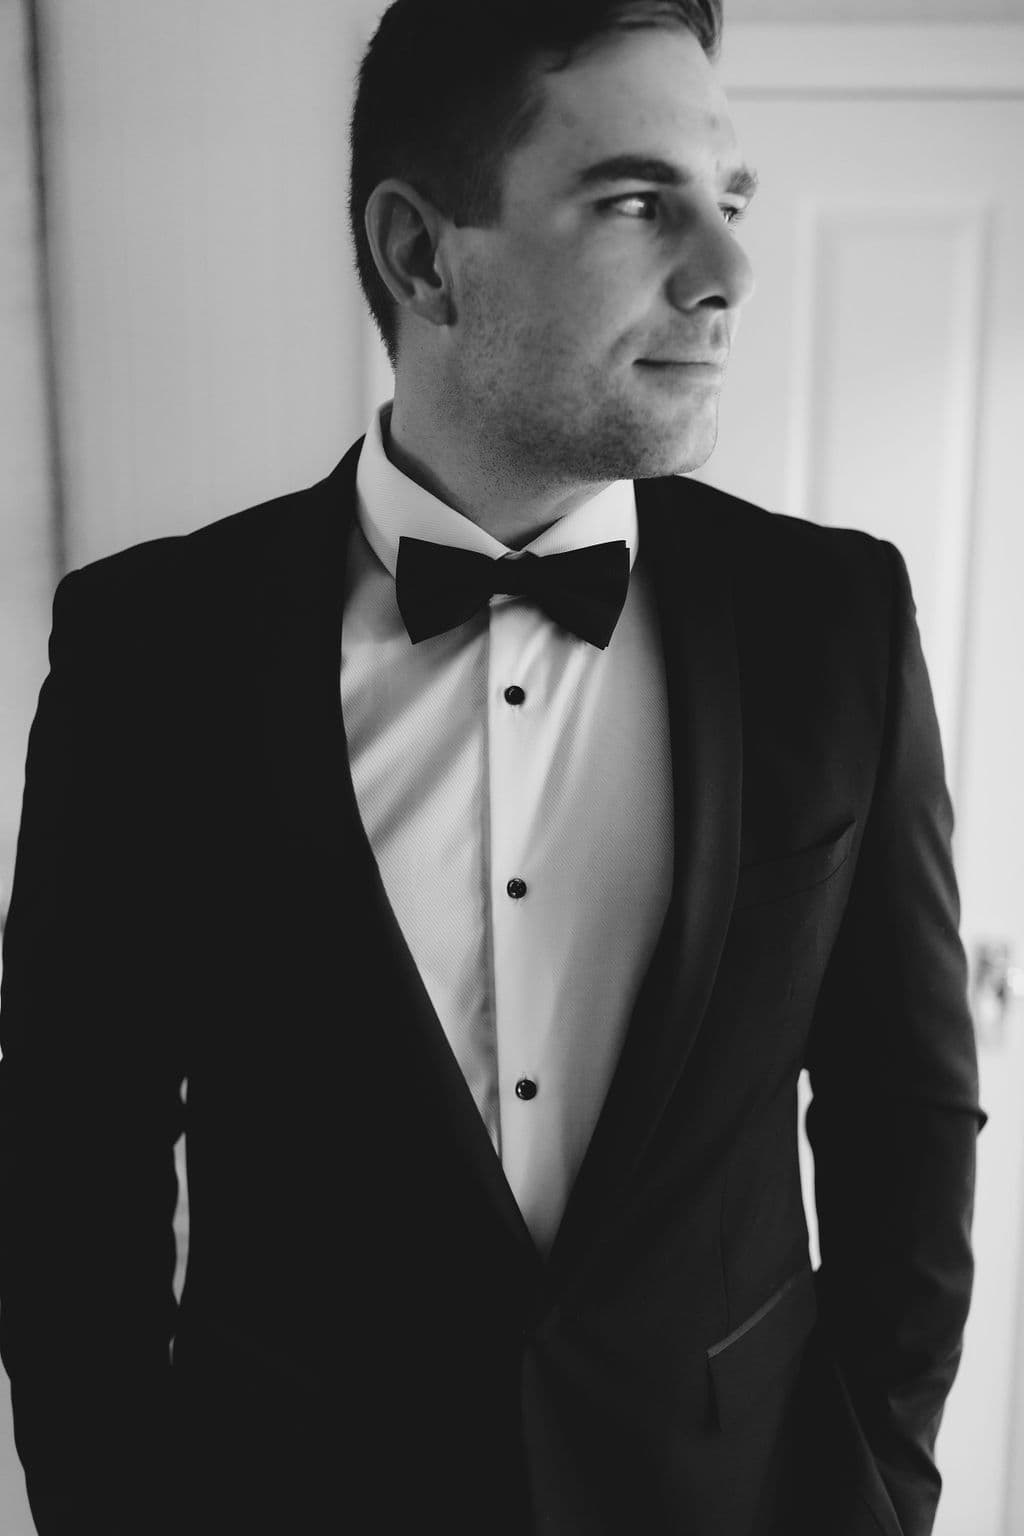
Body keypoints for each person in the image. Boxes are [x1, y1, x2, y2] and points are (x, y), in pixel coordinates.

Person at [0, 1, 986, 1532]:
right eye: (638, 202)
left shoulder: (835, 623)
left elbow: (905, 1113)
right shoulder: (151, 653)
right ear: (423, 255)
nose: (728, 275)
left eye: (730, 204)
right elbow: (70, 1159)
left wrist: (881, 1497)